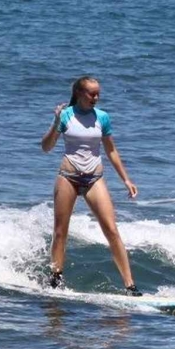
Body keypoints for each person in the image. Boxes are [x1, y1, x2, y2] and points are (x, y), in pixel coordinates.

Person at [39, 75, 142, 294]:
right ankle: (56, 280)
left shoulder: (102, 117)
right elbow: (46, 147)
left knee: (112, 230)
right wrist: (56, 123)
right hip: (68, 176)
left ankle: (130, 286)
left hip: (95, 178)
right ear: (79, 93)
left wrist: (126, 179)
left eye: (98, 94)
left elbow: (111, 150)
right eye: (91, 94)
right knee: (60, 232)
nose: (96, 97)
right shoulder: (66, 115)